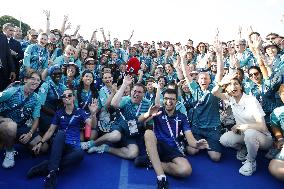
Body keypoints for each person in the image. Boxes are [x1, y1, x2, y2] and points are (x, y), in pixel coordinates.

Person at [27, 88, 98, 189]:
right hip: (59, 144)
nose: (67, 97)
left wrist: (93, 114)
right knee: (60, 133)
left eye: (69, 95)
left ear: (73, 97)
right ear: (62, 99)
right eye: (64, 96)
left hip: (73, 146)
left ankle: (45, 167)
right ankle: (52, 174)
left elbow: (92, 125)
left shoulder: (80, 112)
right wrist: (41, 142)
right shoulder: (59, 113)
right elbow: (51, 130)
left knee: (80, 153)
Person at [143, 89, 209, 188]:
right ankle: (161, 177)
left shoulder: (182, 117)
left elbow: (190, 138)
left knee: (185, 170)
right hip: (158, 145)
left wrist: (196, 144)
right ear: (163, 99)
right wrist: (148, 114)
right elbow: (140, 121)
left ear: (176, 101)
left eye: (172, 99)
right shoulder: (157, 111)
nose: (169, 101)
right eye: (166, 98)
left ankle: (151, 162)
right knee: (148, 133)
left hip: (172, 148)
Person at [212, 77, 273, 176]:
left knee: (249, 133)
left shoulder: (251, 100)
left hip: (264, 138)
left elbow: (262, 126)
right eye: (229, 85)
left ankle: (251, 161)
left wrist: (243, 126)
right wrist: (220, 84)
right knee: (224, 139)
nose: (233, 86)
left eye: (236, 84)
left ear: (241, 86)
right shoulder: (230, 98)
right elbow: (214, 92)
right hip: (245, 134)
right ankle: (245, 147)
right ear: (226, 89)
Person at [86, 76, 151, 159]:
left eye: (139, 92)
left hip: (132, 133)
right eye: (134, 91)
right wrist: (124, 84)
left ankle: (106, 148)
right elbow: (113, 104)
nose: (136, 94)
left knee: (133, 154)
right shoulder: (126, 99)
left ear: (144, 94)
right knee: (115, 136)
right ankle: (93, 143)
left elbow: (148, 123)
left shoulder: (147, 103)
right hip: (120, 128)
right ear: (131, 92)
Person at [0, 71, 45, 168]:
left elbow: (36, 118)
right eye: (33, 78)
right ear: (25, 80)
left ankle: (11, 140)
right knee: (11, 126)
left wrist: (30, 134)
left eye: (38, 80)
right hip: (4, 123)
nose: (36, 82)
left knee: (43, 147)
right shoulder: (12, 91)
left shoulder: (37, 98)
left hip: (20, 126)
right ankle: (9, 152)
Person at [268, 84, 284, 181]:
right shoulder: (277, 112)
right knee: (274, 167)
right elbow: (275, 126)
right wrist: (280, 139)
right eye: (283, 93)